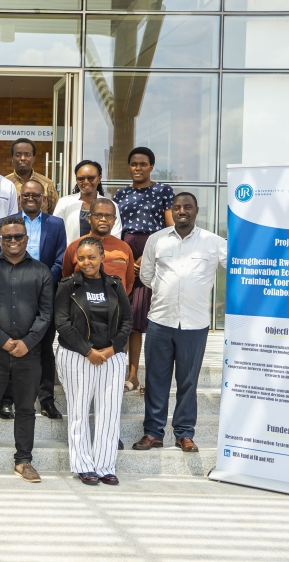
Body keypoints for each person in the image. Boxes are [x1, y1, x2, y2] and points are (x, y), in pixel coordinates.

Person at [132, 192, 226, 454]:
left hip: (195, 324)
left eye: (187, 207)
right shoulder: (157, 239)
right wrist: (168, 291)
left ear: (197, 210)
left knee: (188, 382)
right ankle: (153, 433)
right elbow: (147, 275)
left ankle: (184, 434)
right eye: (176, 207)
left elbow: (239, 265)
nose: (182, 211)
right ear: (172, 211)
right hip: (160, 320)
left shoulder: (213, 242)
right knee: (155, 379)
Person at [0, 216, 53, 483]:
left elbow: (46, 313)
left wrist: (28, 342)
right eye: (7, 237)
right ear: (0, 239)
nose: (13, 241)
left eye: (18, 237)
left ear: (26, 239)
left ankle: (23, 461)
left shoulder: (41, 271)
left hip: (29, 352)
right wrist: (2, 339)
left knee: (26, 408)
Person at [55, 237, 133, 486]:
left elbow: (127, 321)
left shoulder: (115, 284)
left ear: (102, 257)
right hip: (77, 356)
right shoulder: (67, 285)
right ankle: (83, 465)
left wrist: (112, 349)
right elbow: (62, 323)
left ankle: (105, 465)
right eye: (81, 258)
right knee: (78, 411)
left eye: (91, 257)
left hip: (112, 357)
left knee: (109, 412)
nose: (86, 262)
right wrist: (87, 351)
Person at [0, 179, 67, 422]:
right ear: (20, 198)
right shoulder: (8, 222)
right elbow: (1, 255)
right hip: (11, 293)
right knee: (10, 346)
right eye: (26, 195)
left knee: (44, 347)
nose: (31, 199)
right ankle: (7, 399)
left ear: (44, 199)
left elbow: (60, 260)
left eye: (36, 195)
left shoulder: (56, 224)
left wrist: (42, 281)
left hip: (45, 293)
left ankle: (46, 400)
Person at [112, 147, 174, 394]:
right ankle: (132, 376)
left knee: (154, 318)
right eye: (134, 164)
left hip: (154, 252)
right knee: (132, 319)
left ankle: (153, 377)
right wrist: (126, 258)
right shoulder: (121, 194)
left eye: (143, 164)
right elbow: (116, 229)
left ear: (151, 167)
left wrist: (146, 256)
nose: (138, 168)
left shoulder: (163, 191)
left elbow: (169, 228)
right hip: (125, 253)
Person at [61, 198, 135, 297]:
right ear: (89, 218)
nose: (103, 219)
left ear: (114, 220)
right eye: (98, 215)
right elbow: (66, 277)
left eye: (108, 216)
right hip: (82, 303)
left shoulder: (124, 248)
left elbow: (129, 282)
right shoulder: (75, 246)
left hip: (116, 304)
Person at [53, 160, 122, 244]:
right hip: (71, 251)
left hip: (104, 251)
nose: (86, 182)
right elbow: (55, 231)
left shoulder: (111, 205)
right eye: (81, 179)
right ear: (76, 180)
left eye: (91, 178)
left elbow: (115, 234)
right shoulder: (64, 203)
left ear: (99, 179)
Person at [3, 137, 59, 214]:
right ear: (12, 158)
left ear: (33, 158)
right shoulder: (4, 184)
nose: (23, 158)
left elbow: (55, 213)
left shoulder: (47, 184)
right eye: (18, 155)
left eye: (27, 155)